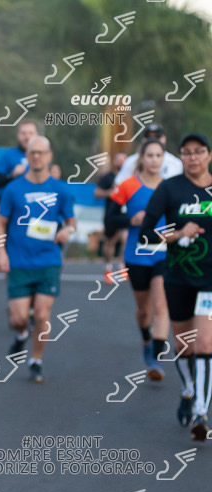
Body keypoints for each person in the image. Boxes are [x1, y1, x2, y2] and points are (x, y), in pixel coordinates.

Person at [139, 133, 212, 441]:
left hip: (209, 280)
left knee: (205, 344)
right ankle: (187, 390)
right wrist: (179, 233)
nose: (193, 157)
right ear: (180, 156)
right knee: (183, 346)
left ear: (208, 155)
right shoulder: (169, 189)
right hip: (178, 277)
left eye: (199, 151)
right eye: (187, 152)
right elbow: (145, 234)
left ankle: (200, 413)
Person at [0, 136, 76, 383]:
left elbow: (71, 221)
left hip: (48, 260)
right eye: (33, 152)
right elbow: (0, 222)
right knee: (18, 319)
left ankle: (36, 360)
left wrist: (68, 231)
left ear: (50, 156)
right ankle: (21, 335)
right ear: (27, 156)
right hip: (19, 261)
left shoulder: (60, 189)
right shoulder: (13, 189)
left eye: (41, 152)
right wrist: (1, 252)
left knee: (41, 314)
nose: (37, 156)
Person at [107, 140, 169, 381]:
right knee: (144, 311)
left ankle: (156, 360)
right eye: (150, 155)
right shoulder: (128, 185)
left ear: (163, 159)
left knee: (161, 305)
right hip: (137, 255)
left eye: (158, 155)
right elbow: (110, 219)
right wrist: (130, 221)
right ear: (142, 158)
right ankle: (146, 339)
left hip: (165, 253)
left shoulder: (170, 187)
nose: (154, 160)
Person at [0, 119, 38, 215]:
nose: (27, 137)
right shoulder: (9, 155)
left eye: (30, 133)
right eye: (23, 133)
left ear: (36, 135)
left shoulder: (41, 157)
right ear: (18, 135)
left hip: (33, 207)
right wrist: (11, 175)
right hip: (10, 208)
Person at [95, 151, 129, 282]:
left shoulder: (130, 177)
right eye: (118, 160)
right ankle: (108, 268)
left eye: (123, 160)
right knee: (110, 241)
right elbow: (97, 193)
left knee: (125, 239)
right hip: (110, 214)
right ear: (114, 162)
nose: (121, 163)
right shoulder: (108, 177)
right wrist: (110, 193)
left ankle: (122, 266)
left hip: (124, 214)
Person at [115, 124, 184, 185]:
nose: (153, 140)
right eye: (149, 137)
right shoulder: (131, 161)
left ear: (164, 138)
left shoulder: (175, 163)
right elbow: (118, 185)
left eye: (157, 136)